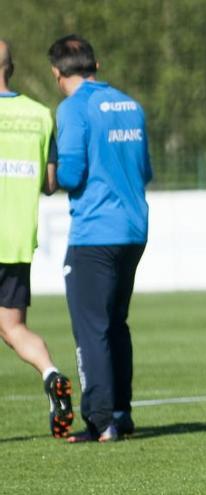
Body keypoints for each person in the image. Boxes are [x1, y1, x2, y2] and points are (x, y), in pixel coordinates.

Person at [48, 34, 151, 443]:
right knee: (115, 324)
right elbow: (144, 170)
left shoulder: (73, 108)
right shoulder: (131, 104)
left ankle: (100, 419)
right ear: (97, 64)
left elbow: (71, 174)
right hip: (134, 228)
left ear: (57, 73)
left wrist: (47, 173)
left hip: (95, 232)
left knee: (91, 329)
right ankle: (121, 413)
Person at [0, 39, 74, 439]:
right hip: (15, 239)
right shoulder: (39, 115)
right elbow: (49, 183)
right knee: (13, 328)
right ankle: (51, 374)